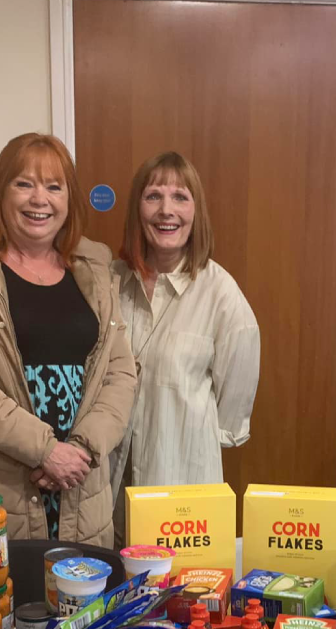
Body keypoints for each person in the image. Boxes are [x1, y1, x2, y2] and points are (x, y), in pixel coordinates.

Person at [0, 133, 136, 546]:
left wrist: (81, 451)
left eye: (54, 187)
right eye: (24, 184)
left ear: (69, 201)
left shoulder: (93, 273)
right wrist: (46, 451)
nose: (40, 199)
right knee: (8, 606)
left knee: (81, 603)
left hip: (81, 487)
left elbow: (120, 373)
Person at [111, 151, 260, 528]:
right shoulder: (109, 283)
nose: (166, 210)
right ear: (136, 208)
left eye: (180, 197)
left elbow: (231, 414)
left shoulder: (221, 295)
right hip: (107, 494)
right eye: (153, 196)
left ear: (196, 212)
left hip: (181, 498)